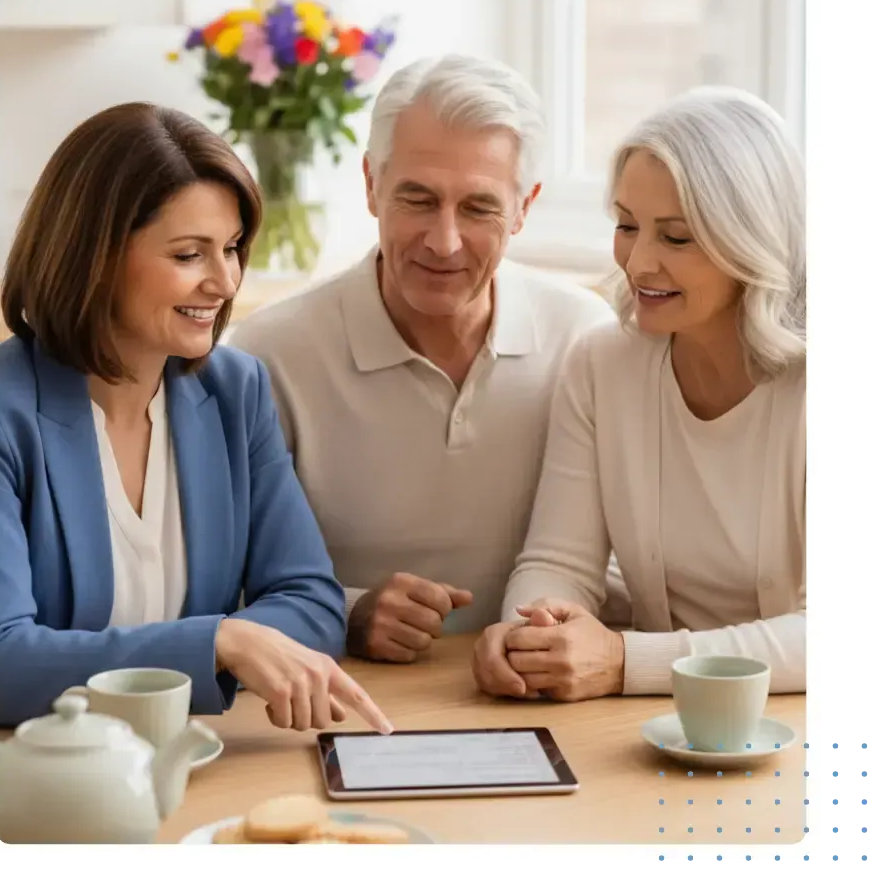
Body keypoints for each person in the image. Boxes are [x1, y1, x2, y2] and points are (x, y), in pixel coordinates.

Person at [0, 101, 392, 735]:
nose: (225, 281)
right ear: (92, 256)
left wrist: (235, 641)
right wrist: (218, 643)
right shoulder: (2, 415)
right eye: (188, 255)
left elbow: (313, 605)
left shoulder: (235, 390)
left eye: (231, 249)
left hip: (196, 756)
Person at [227, 53, 619, 663]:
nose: (445, 241)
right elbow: (224, 586)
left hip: (531, 690)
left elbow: (621, 559)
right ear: (371, 186)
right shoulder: (267, 355)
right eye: (417, 199)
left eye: (479, 207)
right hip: (339, 692)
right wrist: (349, 611)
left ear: (524, 206)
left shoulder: (586, 338)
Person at [473, 85, 807, 701]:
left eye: (676, 237)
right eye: (627, 226)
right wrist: (533, 634)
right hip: (653, 729)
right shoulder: (603, 363)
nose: (639, 262)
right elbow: (560, 562)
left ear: (751, 240)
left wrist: (628, 661)